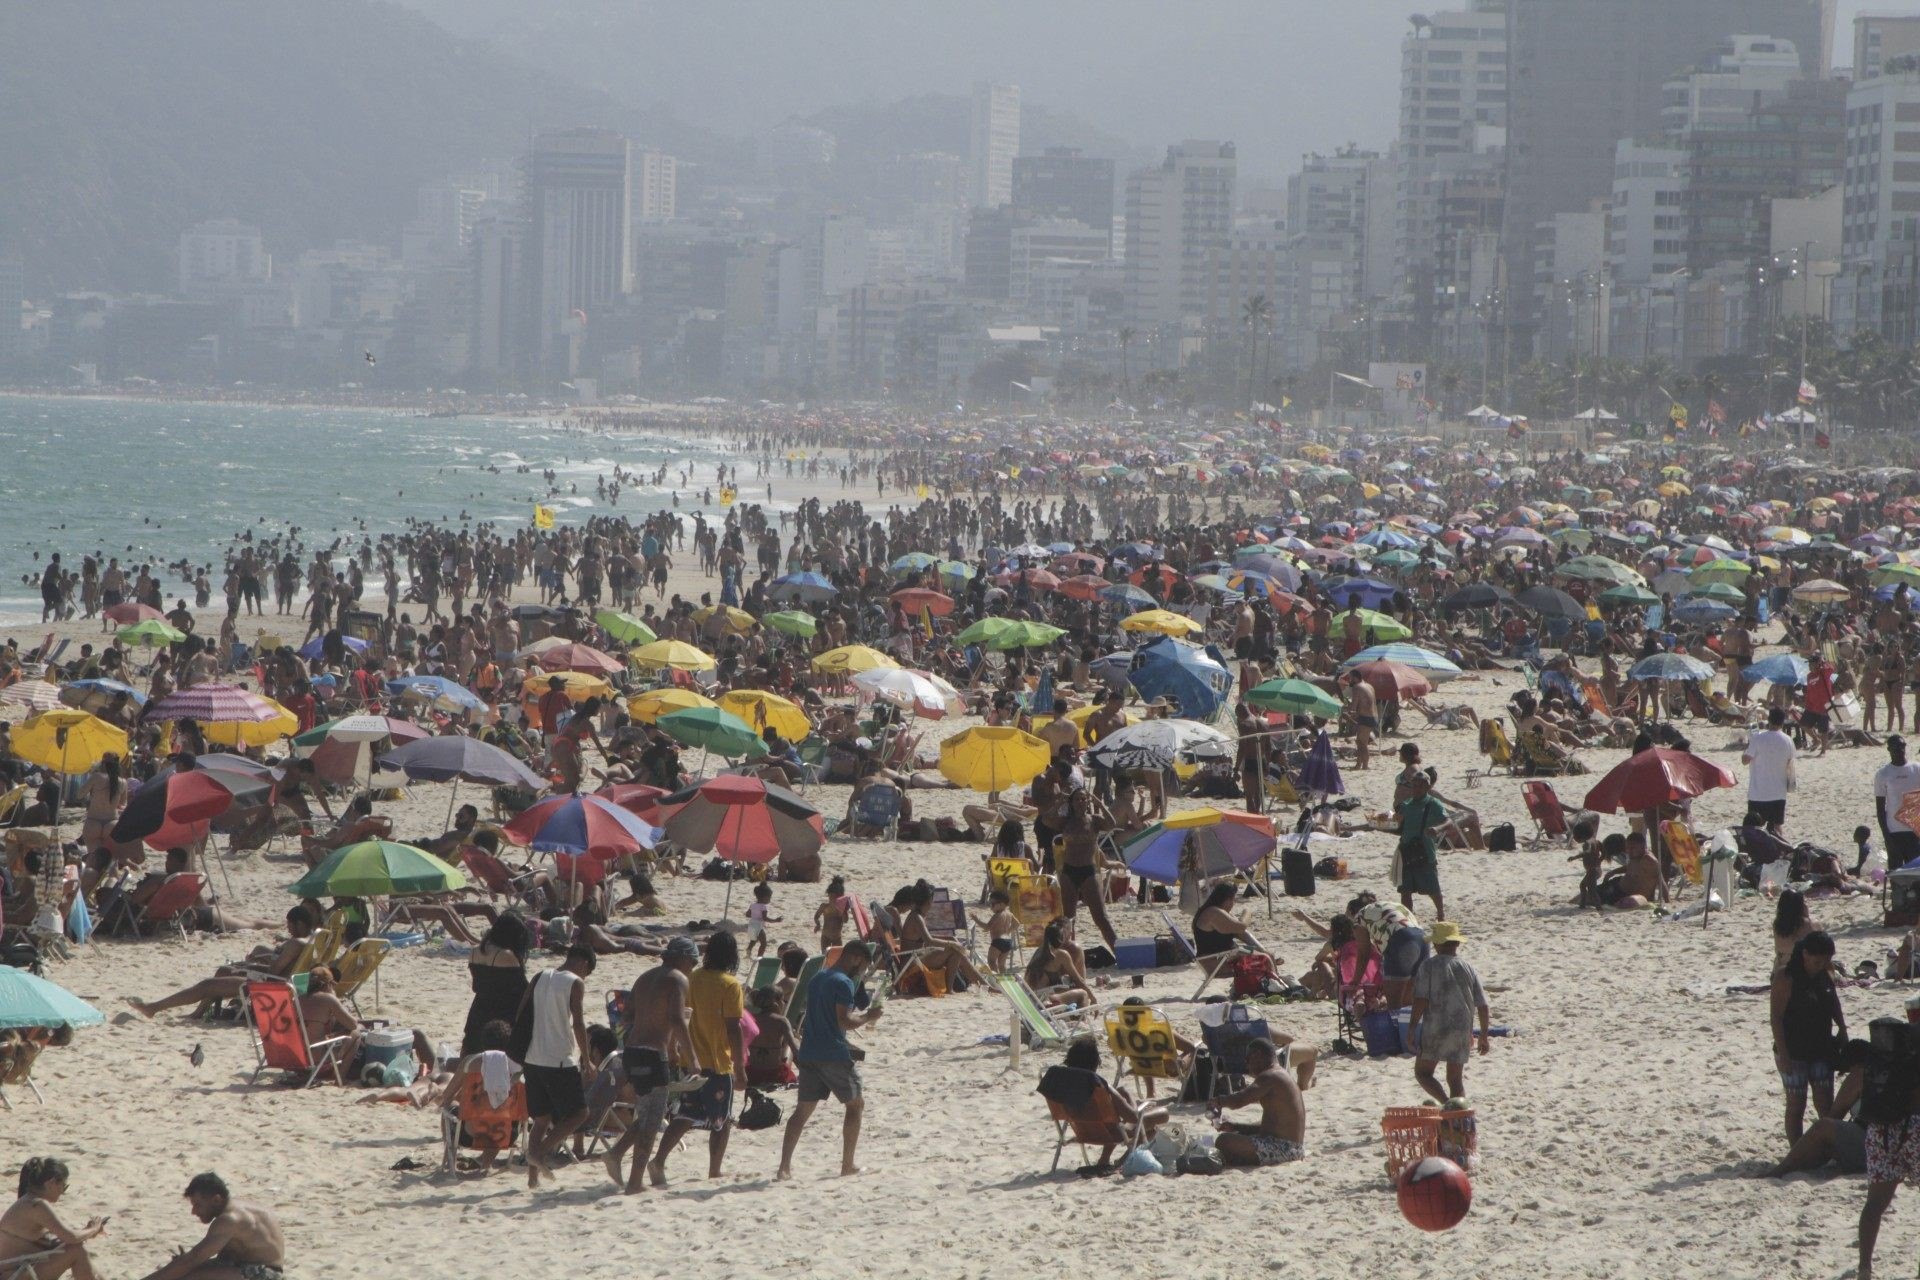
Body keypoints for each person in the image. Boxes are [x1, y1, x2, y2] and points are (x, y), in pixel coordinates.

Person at [777, 939, 884, 1180]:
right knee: (855, 1105)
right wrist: (869, 1016)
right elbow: (844, 1021)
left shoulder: (818, 978)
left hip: (810, 1050)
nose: (862, 972)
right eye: (864, 965)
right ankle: (848, 1164)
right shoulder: (843, 982)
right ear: (856, 958)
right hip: (832, 1053)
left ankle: (784, 1167)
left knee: (802, 1112)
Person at [604, 935, 699, 1195]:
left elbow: (626, 1017)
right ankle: (635, 1182)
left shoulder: (645, 977)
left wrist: (661, 1039)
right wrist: (692, 1058)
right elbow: (678, 1021)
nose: (691, 967)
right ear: (682, 959)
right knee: (652, 1121)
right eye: (691, 962)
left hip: (633, 1050)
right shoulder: (678, 979)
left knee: (647, 1113)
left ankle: (616, 1153)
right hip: (651, 1054)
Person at [653, 931, 747, 1183]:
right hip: (717, 1062)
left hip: (690, 1059)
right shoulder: (730, 984)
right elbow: (733, 1027)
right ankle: (714, 1169)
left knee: (685, 1114)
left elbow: (679, 1016)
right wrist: (740, 1066)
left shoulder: (690, 978)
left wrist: (673, 1047)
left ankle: (658, 1160)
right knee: (721, 1120)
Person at [518, 943, 596, 1188]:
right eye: (587, 971)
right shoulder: (575, 982)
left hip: (533, 1057)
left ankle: (532, 1178)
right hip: (559, 1059)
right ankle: (540, 1152)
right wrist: (587, 1059)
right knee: (579, 1114)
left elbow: (522, 1011)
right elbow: (579, 1023)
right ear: (583, 963)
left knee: (541, 1120)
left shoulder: (540, 976)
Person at [137, 1172, 285, 1280]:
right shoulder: (239, 1207)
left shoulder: (229, 1220)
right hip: (247, 1266)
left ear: (216, 1200)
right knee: (177, 1270)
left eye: (198, 1205)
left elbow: (192, 1259)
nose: (194, 1211)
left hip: (265, 1274)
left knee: (185, 1275)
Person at [1771, 931, 1844, 1144]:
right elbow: (1776, 1018)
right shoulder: (1786, 977)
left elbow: (1834, 1003)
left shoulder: (1825, 973)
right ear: (1804, 954)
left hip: (1821, 1046)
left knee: (1825, 1103)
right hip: (1793, 1049)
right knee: (1796, 1104)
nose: (1820, 965)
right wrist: (1784, 1055)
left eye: (1825, 961)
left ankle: (1829, 1147)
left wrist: (1842, 1029)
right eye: (1816, 961)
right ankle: (1797, 1148)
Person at [1407, 921, 1490, 1105]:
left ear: (1436, 944)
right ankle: (1458, 1114)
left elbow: (1421, 999)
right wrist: (1483, 1034)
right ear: (1457, 943)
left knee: (1423, 1073)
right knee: (1455, 1080)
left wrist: (1412, 1027)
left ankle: (1446, 1104)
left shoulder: (1428, 966)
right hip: (1461, 1030)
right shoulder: (1468, 967)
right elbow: (1482, 1005)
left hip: (1435, 1028)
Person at [1210, 1038, 1308, 1168]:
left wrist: (1218, 1101)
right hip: (1292, 1148)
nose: (1247, 1065)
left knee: (1224, 1141)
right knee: (1232, 1136)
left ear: (1257, 1055)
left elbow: (1239, 1100)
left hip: (1284, 1149)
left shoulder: (1270, 1076)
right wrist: (1236, 1126)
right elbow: (1270, 1128)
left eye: (1247, 1059)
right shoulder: (1280, 1074)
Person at [1, 1157, 104, 1280]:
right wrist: (93, 1229)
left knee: (74, 1247)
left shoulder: (28, 1201)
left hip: (13, 1270)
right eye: (64, 1186)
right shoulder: (37, 1205)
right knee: (76, 1250)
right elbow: (71, 1237)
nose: (62, 1192)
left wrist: (85, 1233)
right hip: (11, 1275)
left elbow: (62, 1238)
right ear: (51, 1183)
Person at [461, 914, 530, 1056]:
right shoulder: (506, 955)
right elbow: (522, 988)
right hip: (503, 1011)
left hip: (479, 1009)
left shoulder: (475, 951)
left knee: (474, 1051)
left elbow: (477, 985)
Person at [1395, 770, 1449, 921]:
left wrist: (1437, 829)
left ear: (1427, 787)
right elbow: (1397, 826)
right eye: (1414, 786)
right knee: (1405, 889)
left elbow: (1448, 821)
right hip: (1406, 849)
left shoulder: (1433, 803)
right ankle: (1409, 918)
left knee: (1432, 886)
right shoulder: (1406, 805)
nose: (1416, 789)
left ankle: (1440, 914)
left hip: (1424, 850)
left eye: (1420, 786)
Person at [1742, 707, 1796, 833]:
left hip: (1758, 793)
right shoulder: (1788, 740)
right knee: (1776, 827)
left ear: (1769, 720)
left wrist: (1747, 747)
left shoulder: (1758, 738)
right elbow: (1790, 763)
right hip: (1778, 792)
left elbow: (1745, 760)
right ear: (1783, 722)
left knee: (1754, 828)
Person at [1874, 735, 1920, 870]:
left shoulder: (1917, 768)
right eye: (1896, 746)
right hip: (1894, 830)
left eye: (1903, 746)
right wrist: (1886, 834)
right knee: (1896, 872)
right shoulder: (1883, 774)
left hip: (1915, 829)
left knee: (1915, 873)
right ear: (1889, 749)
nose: (1900, 749)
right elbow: (1880, 807)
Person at [972, 889, 1016, 974]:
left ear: (1001, 904)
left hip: (998, 941)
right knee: (1002, 965)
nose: (991, 907)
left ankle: (997, 980)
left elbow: (987, 927)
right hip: (1008, 941)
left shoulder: (997, 915)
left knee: (991, 961)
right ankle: (1004, 980)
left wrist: (976, 920)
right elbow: (1017, 923)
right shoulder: (1009, 914)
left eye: (992, 904)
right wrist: (1008, 931)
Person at [745, 882, 779, 960]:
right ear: (764, 897)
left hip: (751, 924)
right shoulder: (763, 907)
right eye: (769, 898)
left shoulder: (753, 905)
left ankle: (749, 950)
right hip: (758, 926)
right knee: (763, 943)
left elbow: (747, 914)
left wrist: (755, 915)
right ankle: (759, 957)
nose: (769, 900)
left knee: (753, 939)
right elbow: (765, 918)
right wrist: (775, 920)